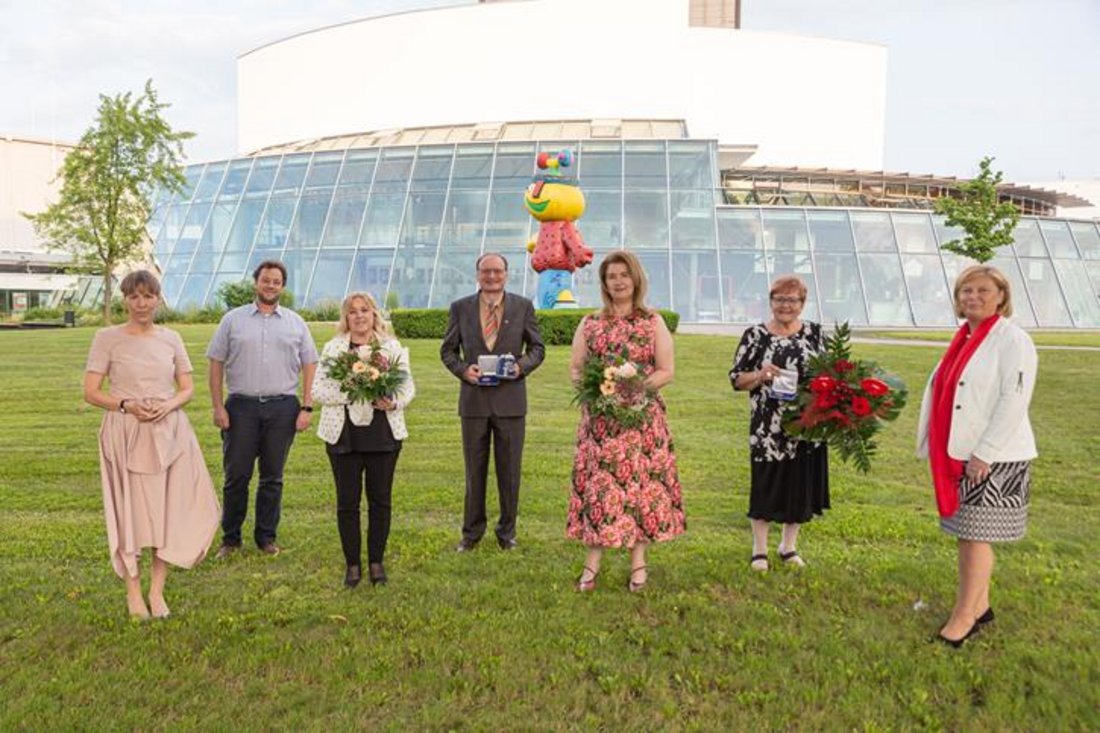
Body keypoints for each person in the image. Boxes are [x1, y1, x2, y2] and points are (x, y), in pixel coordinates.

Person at [83, 270, 219, 618]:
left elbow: (187, 388)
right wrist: (126, 405)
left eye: (148, 296)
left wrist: (167, 405)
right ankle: (132, 592)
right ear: (125, 300)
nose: (141, 304)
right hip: (125, 433)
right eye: (134, 296)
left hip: (170, 433)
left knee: (167, 511)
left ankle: (157, 592)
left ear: (158, 299)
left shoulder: (172, 338)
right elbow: (92, 392)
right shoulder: (106, 338)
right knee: (130, 513)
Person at [916, 265, 1037, 648]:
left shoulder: (1011, 340)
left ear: (1001, 295)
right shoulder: (965, 338)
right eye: (966, 290)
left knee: (975, 537)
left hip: (993, 457)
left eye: (983, 290)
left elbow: (1014, 400)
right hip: (961, 453)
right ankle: (981, 608)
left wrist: (984, 454)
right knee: (968, 535)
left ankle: (963, 617)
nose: (973, 297)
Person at [567, 250, 685, 592]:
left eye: (624, 275)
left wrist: (633, 389)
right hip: (601, 424)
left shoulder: (652, 322)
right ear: (604, 283)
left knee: (640, 491)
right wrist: (599, 394)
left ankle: (639, 565)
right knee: (600, 491)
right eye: (611, 276)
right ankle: (591, 566)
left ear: (635, 279)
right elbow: (577, 368)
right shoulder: (591, 323)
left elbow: (666, 370)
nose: (618, 281)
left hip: (641, 422)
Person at [206, 260, 318, 558]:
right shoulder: (232, 320)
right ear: (256, 283)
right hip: (241, 408)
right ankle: (230, 539)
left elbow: (310, 364)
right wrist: (218, 406)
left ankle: (266, 537)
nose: (271, 286)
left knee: (273, 477)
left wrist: (307, 406)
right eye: (266, 280)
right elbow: (216, 363)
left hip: (283, 408)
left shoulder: (296, 322)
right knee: (236, 476)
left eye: (276, 281)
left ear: (282, 286)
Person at [440, 252, 545, 552]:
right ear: (478, 274)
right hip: (473, 403)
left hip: (511, 403)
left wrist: (521, 366)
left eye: (497, 271)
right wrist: (463, 370)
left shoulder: (523, 307)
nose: (492, 277)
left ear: (506, 274)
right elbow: (447, 351)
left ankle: (507, 532)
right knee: (474, 471)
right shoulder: (460, 308)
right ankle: (471, 534)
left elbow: (538, 348)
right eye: (486, 271)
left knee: (509, 471)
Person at [314, 293, 415, 588]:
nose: (359, 316)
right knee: (347, 503)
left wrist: (392, 402)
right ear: (346, 318)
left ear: (374, 315)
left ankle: (376, 562)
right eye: (353, 312)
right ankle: (353, 565)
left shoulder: (391, 347)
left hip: (383, 434)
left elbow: (407, 387)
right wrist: (358, 388)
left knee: (380, 501)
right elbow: (318, 392)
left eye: (365, 311)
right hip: (342, 436)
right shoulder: (334, 348)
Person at [729, 275, 829, 572]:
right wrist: (759, 375)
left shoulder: (814, 333)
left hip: (806, 424)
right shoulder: (755, 335)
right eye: (780, 299)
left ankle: (788, 546)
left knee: (799, 484)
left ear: (802, 303)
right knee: (766, 484)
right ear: (771, 302)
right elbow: (736, 379)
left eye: (792, 300)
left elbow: (829, 373)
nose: (786, 305)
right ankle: (759, 550)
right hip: (768, 427)